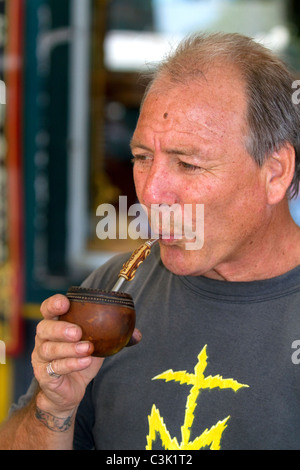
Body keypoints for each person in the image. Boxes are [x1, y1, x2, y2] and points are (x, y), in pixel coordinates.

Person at [1, 31, 300, 450]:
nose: (151, 193)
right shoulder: (114, 288)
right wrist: (55, 407)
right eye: (142, 158)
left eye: (189, 163)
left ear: (275, 172)